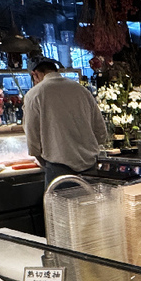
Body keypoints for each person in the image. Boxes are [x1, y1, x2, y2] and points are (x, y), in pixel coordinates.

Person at [23, 57, 108, 185]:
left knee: (61, 205)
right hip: (89, 167)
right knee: (90, 204)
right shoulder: (82, 90)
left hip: (59, 170)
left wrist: (40, 158)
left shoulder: (34, 94)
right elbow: (100, 131)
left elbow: (32, 134)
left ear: (34, 74)